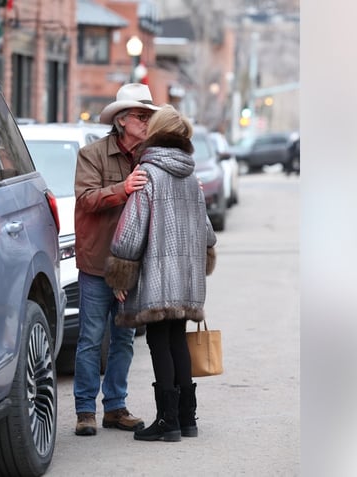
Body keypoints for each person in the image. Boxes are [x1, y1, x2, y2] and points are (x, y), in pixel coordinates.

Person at [104, 105, 217, 442]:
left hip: (156, 276)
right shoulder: (190, 178)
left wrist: (120, 274)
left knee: (158, 341)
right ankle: (186, 419)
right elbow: (208, 235)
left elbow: (130, 231)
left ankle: (167, 422)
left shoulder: (149, 173)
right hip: (186, 275)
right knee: (177, 339)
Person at [72, 83, 161, 436]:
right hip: (96, 263)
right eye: (142, 116)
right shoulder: (92, 154)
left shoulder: (151, 156)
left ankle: (115, 407)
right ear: (122, 120)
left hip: (132, 266)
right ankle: (84, 411)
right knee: (92, 338)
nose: (147, 122)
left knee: (123, 339)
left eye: (150, 116)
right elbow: (86, 199)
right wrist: (122, 189)